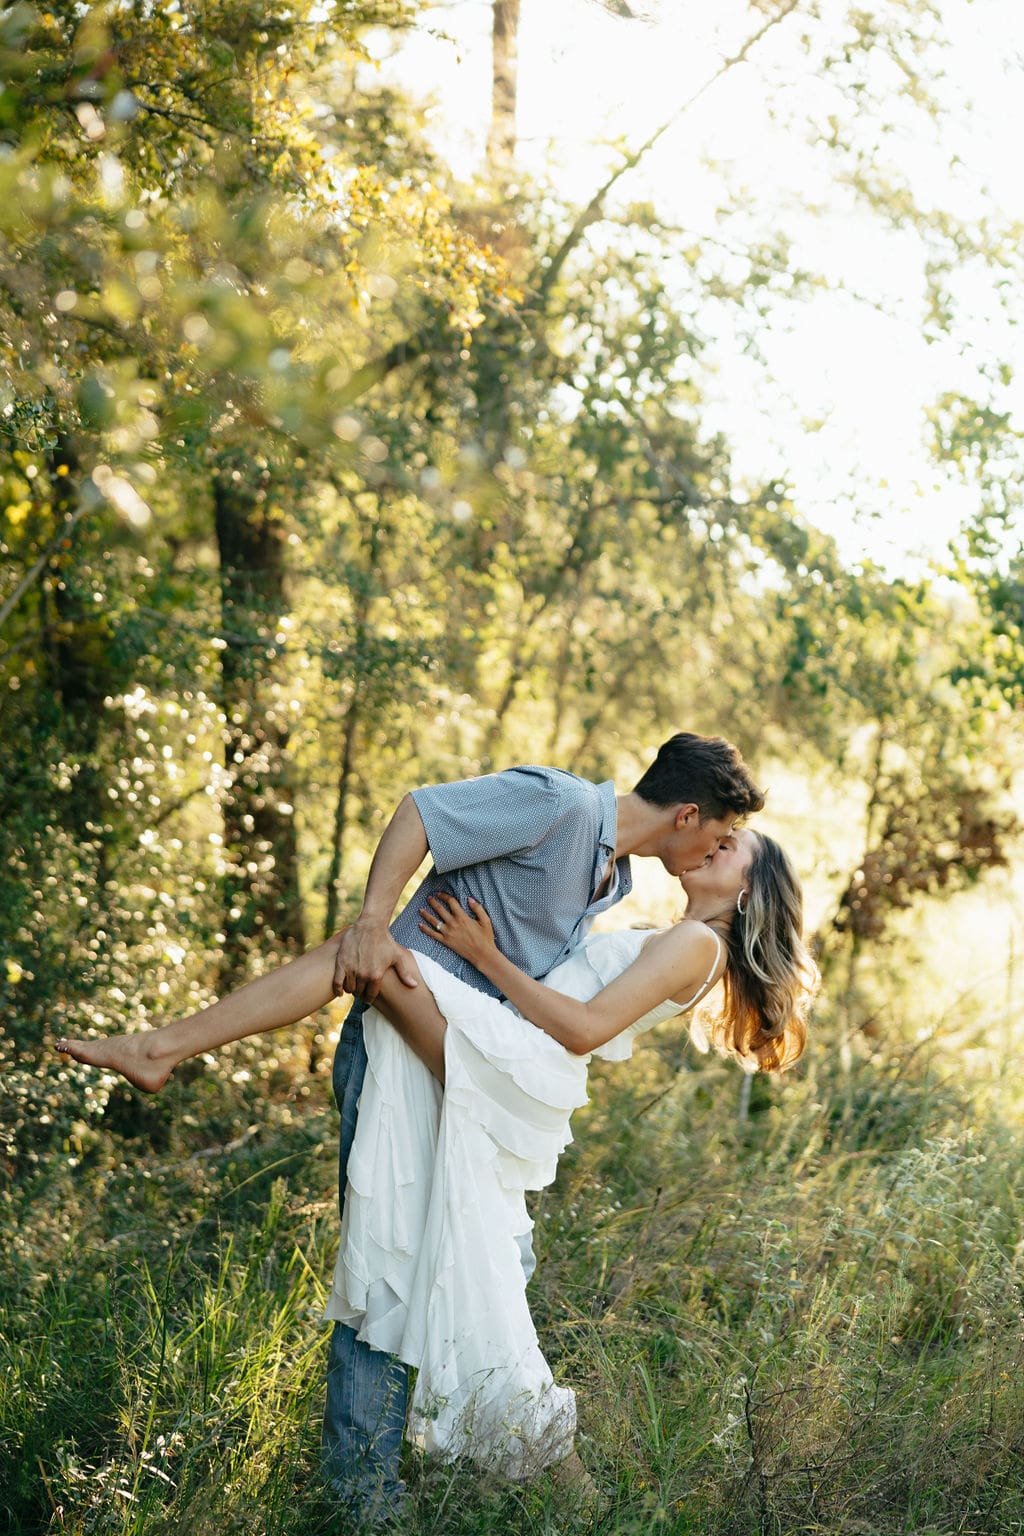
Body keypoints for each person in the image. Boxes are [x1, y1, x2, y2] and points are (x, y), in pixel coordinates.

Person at [58, 733, 768, 1521]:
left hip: (474, 1060)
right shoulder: (561, 804)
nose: (718, 846)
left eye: (730, 847)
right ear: (689, 814)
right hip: (416, 1049)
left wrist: (472, 957)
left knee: (416, 1257)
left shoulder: (617, 884)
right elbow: (422, 813)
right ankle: (376, 1490)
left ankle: (384, 1486)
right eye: (722, 833)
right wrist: (373, 919)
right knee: (396, 1239)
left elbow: (576, 1015)